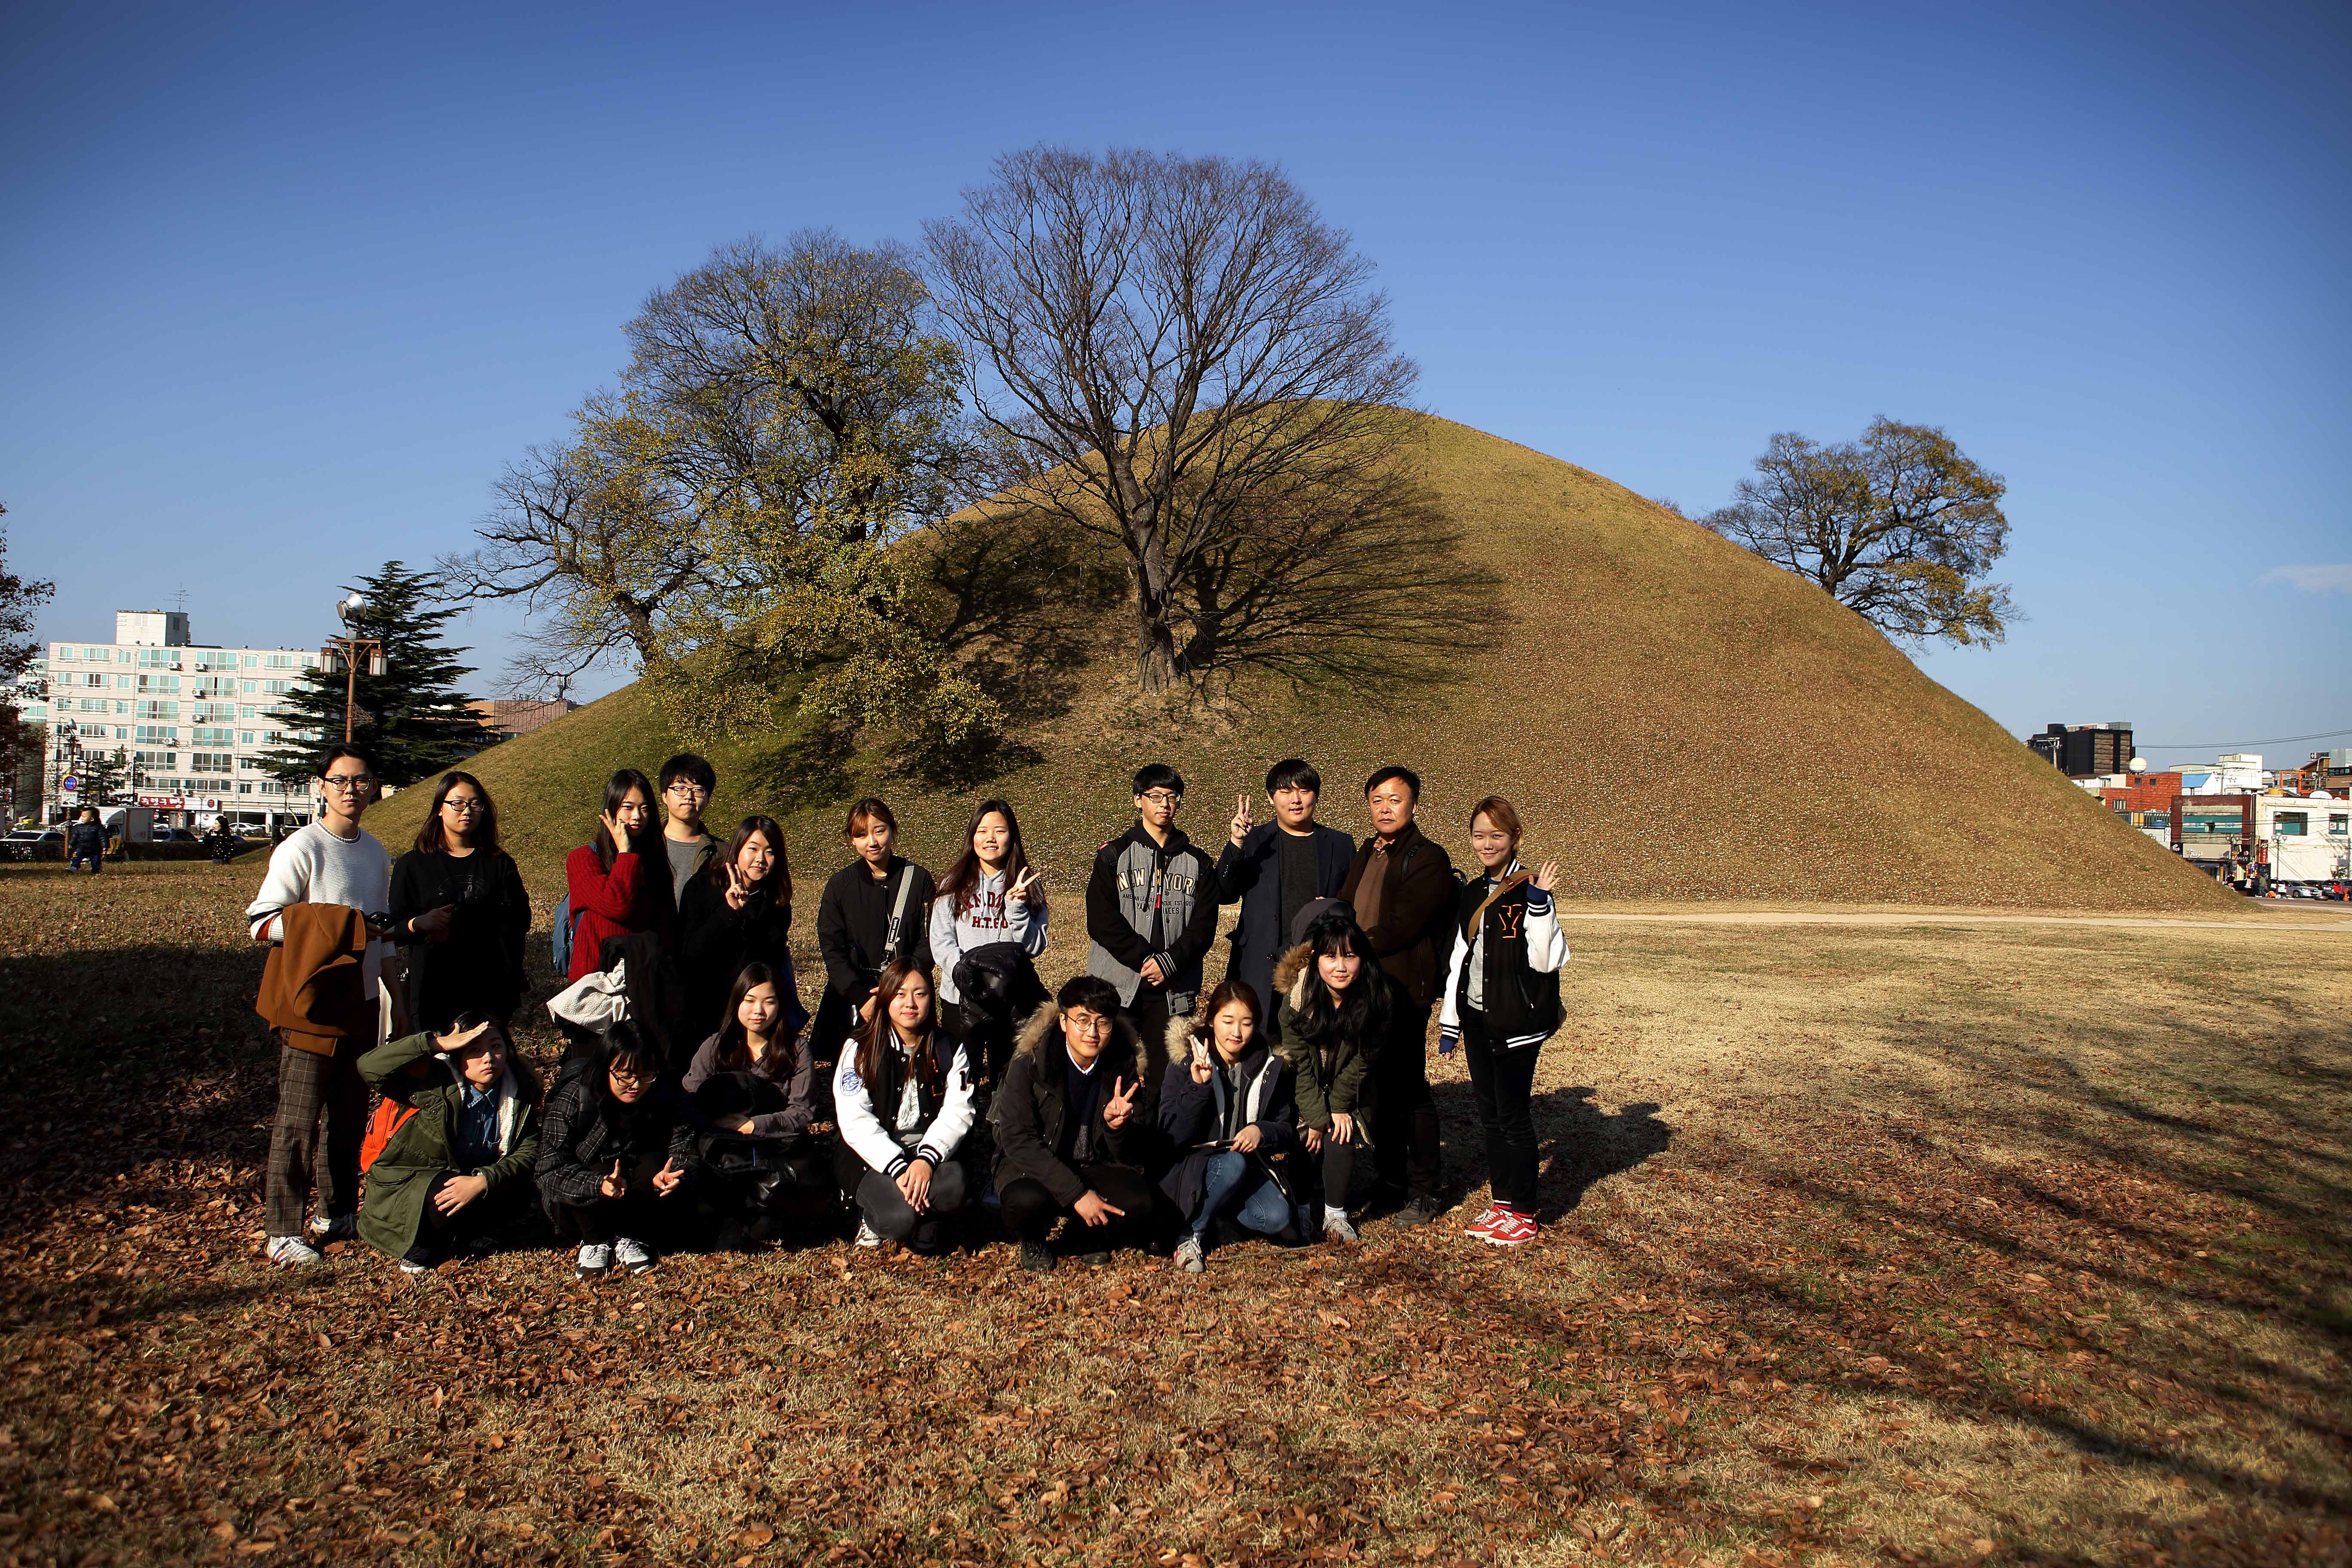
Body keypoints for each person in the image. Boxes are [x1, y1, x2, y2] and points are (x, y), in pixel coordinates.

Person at [245, 743, 400, 1266]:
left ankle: (337, 1212)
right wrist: (341, 924)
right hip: (313, 1002)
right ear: (321, 787)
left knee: (349, 1116)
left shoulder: (378, 853)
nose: (351, 790)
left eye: (361, 781)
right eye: (340, 781)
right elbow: (263, 922)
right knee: (298, 1117)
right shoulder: (302, 847)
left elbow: (384, 935)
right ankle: (282, 1228)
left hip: (360, 1001)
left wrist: (395, 1000)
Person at [1438, 798, 1570, 1249]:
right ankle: (1502, 1204)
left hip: (1517, 1023)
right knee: (1490, 1117)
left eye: (1497, 835)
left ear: (1515, 837)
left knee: (1513, 1117)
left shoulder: (1531, 889)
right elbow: (1460, 958)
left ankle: (1525, 1214)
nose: (1487, 844)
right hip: (1476, 1018)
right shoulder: (1472, 891)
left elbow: (1546, 959)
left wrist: (1539, 904)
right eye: (1479, 835)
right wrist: (1450, 1023)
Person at [1338, 766, 1456, 1227]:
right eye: (1377, 800)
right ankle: (1389, 1180)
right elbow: (1346, 904)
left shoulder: (1429, 858)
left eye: (1395, 800)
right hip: (1363, 986)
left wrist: (1352, 947)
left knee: (1409, 1089)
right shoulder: (1367, 850)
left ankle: (1425, 1190)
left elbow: (1409, 921)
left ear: (1414, 807)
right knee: (1376, 1086)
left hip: (1404, 990)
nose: (1385, 809)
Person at [993, 974, 1163, 1271]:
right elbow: (1018, 1139)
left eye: (1103, 1023)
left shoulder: (1123, 1066)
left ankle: (1086, 1231)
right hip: (1038, 1166)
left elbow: (1131, 1154)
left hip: (1092, 1164)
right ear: (1063, 1022)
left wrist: (1116, 1127)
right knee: (1024, 1201)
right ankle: (1033, 1239)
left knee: (1141, 1203)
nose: (1092, 1033)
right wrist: (1077, 1194)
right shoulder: (1031, 1062)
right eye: (1082, 1020)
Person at [356, 1015, 541, 1275]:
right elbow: (370, 1066)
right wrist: (435, 1043)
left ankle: (467, 1232)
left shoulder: (519, 1090)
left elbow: (529, 1149)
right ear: (457, 1054)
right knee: (444, 1192)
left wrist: (483, 1180)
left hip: (473, 1177)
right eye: (474, 1050)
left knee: (522, 1189)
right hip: (412, 1180)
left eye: (496, 1047)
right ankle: (421, 1245)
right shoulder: (432, 1082)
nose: (488, 1058)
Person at [1271, 902, 1406, 1243]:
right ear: (1317, 960)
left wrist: (1339, 1106)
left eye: (1350, 957)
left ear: (1363, 960)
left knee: (1341, 1132)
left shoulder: (1378, 999)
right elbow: (1299, 1060)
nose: (1341, 967)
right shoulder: (1298, 999)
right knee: (1309, 1133)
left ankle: (1335, 1213)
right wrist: (1316, 1113)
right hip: (1304, 1087)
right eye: (1331, 957)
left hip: (1352, 1088)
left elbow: (1363, 1062)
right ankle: (1301, 1208)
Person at [1084, 763, 1218, 1086]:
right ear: (1138, 800)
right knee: (1113, 1073)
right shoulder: (1113, 856)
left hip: (1174, 987)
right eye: (1155, 796)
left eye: (1172, 797)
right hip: (1119, 984)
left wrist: (1169, 963)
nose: (1164, 804)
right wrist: (1145, 958)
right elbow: (1101, 920)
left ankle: (1162, 1135)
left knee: (1169, 1075)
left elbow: (1203, 928)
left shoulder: (1198, 863)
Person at [833, 962, 977, 1254]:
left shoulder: (948, 1047)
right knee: (898, 1219)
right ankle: (872, 1216)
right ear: (885, 998)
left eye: (920, 994)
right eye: (899, 994)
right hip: (874, 1158)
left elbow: (959, 1111)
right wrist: (898, 1167)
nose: (910, 1003)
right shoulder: (860, 1048)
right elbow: (854, 1119)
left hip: (926, 1153)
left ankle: (927, 1216)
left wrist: (927, 1160)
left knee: (956, 1186)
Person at [1157, 978, 1300, 1272]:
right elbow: (1171, 1133)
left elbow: (1287, 1128)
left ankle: (1215, 1217)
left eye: (1247, 1023)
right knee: (1231, 1164)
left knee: (1276, 1216)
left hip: (1247, 1167)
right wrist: (1198, 1086)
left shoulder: (1270, 1065)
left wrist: (1261, 1130)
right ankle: (1190, 1234)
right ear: (1212, 1021)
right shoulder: (1186, 1059)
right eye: (1228, 1021)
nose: (1237, 1032)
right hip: (1192, 1168)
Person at [683, 964, 829, 1249]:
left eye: (769, 1001)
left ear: (781, 1005)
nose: (758, 1011)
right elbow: (690, 1096)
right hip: (724, 1149)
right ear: (736, 1002)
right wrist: (720, 1124)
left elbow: (801, 1113)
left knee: (772, 1221)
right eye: (749, 1001)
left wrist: (752, 1125)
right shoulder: (716, 1046)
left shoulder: (796, 1050)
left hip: (773, 1149)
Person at [535, 1026, 700, 1277]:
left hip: (640, 1192)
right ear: (605, 1067)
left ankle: (632, 1236)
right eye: (625, 1076)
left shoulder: (667, 1095)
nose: (636, 1085)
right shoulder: (575, 1097)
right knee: (597, 1166)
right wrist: (596, 1184)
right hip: (581, 1203)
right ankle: (594, 1241)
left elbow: (684, 1147)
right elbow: (548, 1167)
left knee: (656, 1164)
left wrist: (677, 1174)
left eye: (646, 1075)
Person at [1215, 759, 1355, 1033]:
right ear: (1270, 797)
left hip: (1315, 965)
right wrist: (1236, 845)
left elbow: (1351, 904)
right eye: (1285, 792)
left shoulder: (1340, 844)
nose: (1296, 800)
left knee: (1311, 1048)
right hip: (1259, 963)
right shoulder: (1254, 840)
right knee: (1258, 1047)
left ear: (1316, 794)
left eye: (1304, 791)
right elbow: (1226, 892)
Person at [389, 771, 531, 1032]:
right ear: (439, 809)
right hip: (432, 988)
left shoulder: (499, 862)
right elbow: (394, 930)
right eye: (457, 804)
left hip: (489, 988)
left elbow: (521, 919)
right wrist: (419, 924)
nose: (467, 811)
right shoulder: (413, 864)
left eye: (475, 804)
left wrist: (467, 923)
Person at [928, 797, 1049, 1087]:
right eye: (982, 830)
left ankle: (1001, 1132)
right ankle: (962, 1133)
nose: (990, 838)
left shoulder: (1028, 886)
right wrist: (968, 977)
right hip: (961, 999)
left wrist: (1017, 909)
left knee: (1006, 1083)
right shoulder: (953, 883)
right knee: (958, 1081)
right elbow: (941, 940)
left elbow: (1035, 946)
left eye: (1000, 830)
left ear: (1013, 836)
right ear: (972, 837)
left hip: (1010, 1002)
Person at [812, 797, 934, 1069]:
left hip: (906, 989)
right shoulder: (840, 885)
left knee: (908, 1067)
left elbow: (929, 939)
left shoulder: (918, 879)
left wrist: (902, 986)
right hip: (853, 992)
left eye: (879, 831)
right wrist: (860, 997)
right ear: (852, 840)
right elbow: (832, 945)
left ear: (892, 830)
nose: (872, 841)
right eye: (861, 835)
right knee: (851, 1070)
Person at [677, 815, 809, 1045]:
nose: (760, 859)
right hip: (702, 1009)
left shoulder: (776, 904)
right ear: (738, 848)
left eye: (770, 852)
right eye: (753, 849)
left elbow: (768, 962)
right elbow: (690, 951)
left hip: (750, 1016)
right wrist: (729, 911)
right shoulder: (701, 887)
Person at [563, 769, 667, 983]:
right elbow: (617, 904)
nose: (637, 816)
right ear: (611, 810)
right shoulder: (582, 859)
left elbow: (666, 925)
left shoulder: (654, 860)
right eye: (628, 808)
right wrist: (625, 854)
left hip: (640, 985)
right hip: (594, 987)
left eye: (644, 808)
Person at [656, 753, 720, 910]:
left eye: (698, 790)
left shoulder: (720, 853)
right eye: (680, 789)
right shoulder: (646, 844)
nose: (689, 797)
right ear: (664, 795)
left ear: (708, 798)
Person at [66, 807, 104, 874]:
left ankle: (96, 870)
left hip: (95, 849)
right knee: (76, 857)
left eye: (84, 817)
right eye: (82, 816)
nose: (82, 818)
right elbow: (75, 837)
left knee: (96, 860)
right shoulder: (79, 827)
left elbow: (103, 838)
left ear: (92, 819)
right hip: (81, 847)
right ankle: (74, 867)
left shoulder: (99, 828)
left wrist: (105, 846)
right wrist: (72, 844)